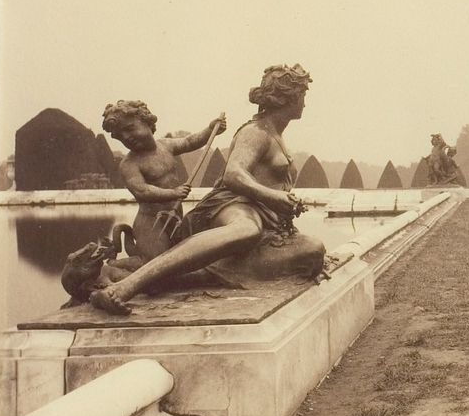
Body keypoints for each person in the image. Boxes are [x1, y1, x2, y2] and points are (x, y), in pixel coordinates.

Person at [90, 64, 325, 315]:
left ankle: (173, 277)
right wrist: (273, 196)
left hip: (267, 220)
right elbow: (233, 174)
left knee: (313, 250)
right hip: (234, 205)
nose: (304, 103)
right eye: (302, 96)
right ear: (286, 98)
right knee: (247, 230)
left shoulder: (275, 134)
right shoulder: (255, 133)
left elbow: (198, 142)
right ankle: (125, 287)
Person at [101, 100, 227, 261]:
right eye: (120, 136)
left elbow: (189, 141)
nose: (126, 137)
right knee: (156, 264)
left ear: (147, 122)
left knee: (181, 261)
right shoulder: (129, 164)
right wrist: (173, 193)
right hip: (151, 224)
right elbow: (141, 190)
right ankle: (115, 267)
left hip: (175, 218)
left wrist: (210, 130)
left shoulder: (166, 146)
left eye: (130, 129)